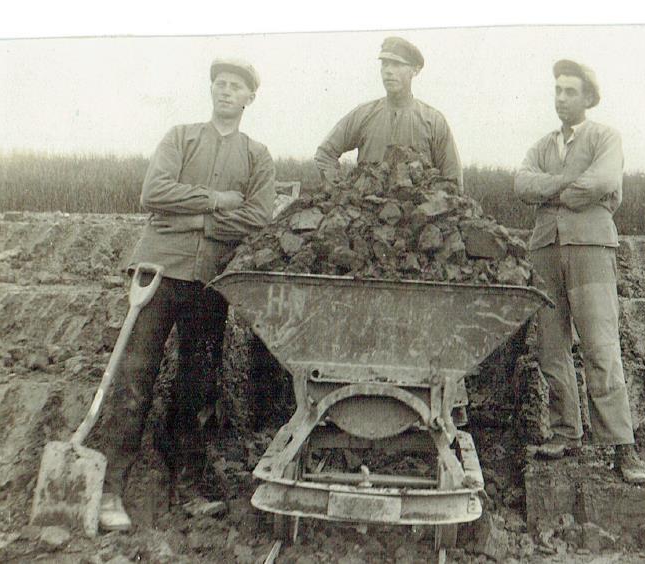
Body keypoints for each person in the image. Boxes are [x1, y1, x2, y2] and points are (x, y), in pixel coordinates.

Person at [96, 58, 276, 531]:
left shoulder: (257, 155)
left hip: (209, 282)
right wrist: (214, 204)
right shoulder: (181, 136)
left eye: (235, 86)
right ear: (211, 90)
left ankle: (188, 487)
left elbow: (259, 217)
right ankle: (109, 488)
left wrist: (191, 218)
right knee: (135, 376)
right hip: (158, 271)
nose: (225, 90)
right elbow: (153, 192)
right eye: (219, 83)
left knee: (198, 384)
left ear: (249, 98)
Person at [514, 59, 645, 484]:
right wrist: (565, 183)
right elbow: (521, 184)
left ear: (588, 97)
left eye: (570, 91)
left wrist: (553, 189)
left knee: (600, 347)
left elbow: (602, 181)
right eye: (557, 90)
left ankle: (621, 446)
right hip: (545, 252)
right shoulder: (541, 145)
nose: (561, 98)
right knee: (552, 348)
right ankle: (565, 433)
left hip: (590, 248)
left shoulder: (605, 137)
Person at [314, 36, 463, 190]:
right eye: (385, 64)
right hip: (367, 210)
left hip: (417, 212)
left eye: (397, 64)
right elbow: (325, 153)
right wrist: (341, 193)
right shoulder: (364, 114)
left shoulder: (434, 121)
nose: (388, 71)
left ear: (415, 70)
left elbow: (453, 179)